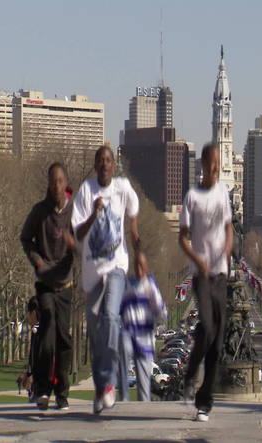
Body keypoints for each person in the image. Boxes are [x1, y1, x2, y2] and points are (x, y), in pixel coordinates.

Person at [71, 145, 148, 414]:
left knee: (110, 317)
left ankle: (108, 383)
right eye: (100, 161)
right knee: (96, 334)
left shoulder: (123, 188)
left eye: (108, 161)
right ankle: (101, 385)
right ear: (95, 166)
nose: (104, 165)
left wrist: (139, 252)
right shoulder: (85, 191)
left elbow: (134, 221)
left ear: (114, 165)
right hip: (93, 272)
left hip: (117, 267)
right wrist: (93, 213)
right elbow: (79, 234)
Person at [179, 143, 233, 422]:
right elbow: (183, 237)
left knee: (217, 340)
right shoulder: (192, 197)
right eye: (211, 163)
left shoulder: (223, 193)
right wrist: (196, 258)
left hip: (221, 273)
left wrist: (227, 250)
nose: (215, 168)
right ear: (202, 164)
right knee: (208, 327)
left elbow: (228, 228)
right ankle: (190, 373)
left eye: (218, 164)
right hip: (201, 274)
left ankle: (204, 402)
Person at [20, 162, 75, 411]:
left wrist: (73, 244)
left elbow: (84, 242)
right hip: (44, 284)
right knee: (47, 330)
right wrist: (38, 260)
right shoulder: (39, 211)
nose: (56, 185)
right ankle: (42, 390)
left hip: (66, 284)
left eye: (60, 181)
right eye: (53, 181)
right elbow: (25, 239)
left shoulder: (74, 212)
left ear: (66, 184)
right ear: (48, 184)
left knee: (64, 339)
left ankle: (62, 393)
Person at [118, 258, 167, 402]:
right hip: (128, 330)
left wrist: (161, 311)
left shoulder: (151, 285)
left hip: (144, 335)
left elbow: (160, 310)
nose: (139, 271)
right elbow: (118, 306)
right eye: (136, 267)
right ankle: (123, 398)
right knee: (124, 352)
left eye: (141, 267)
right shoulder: (127, 283)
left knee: (143, 375)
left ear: (146, 268)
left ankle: (143, 403)